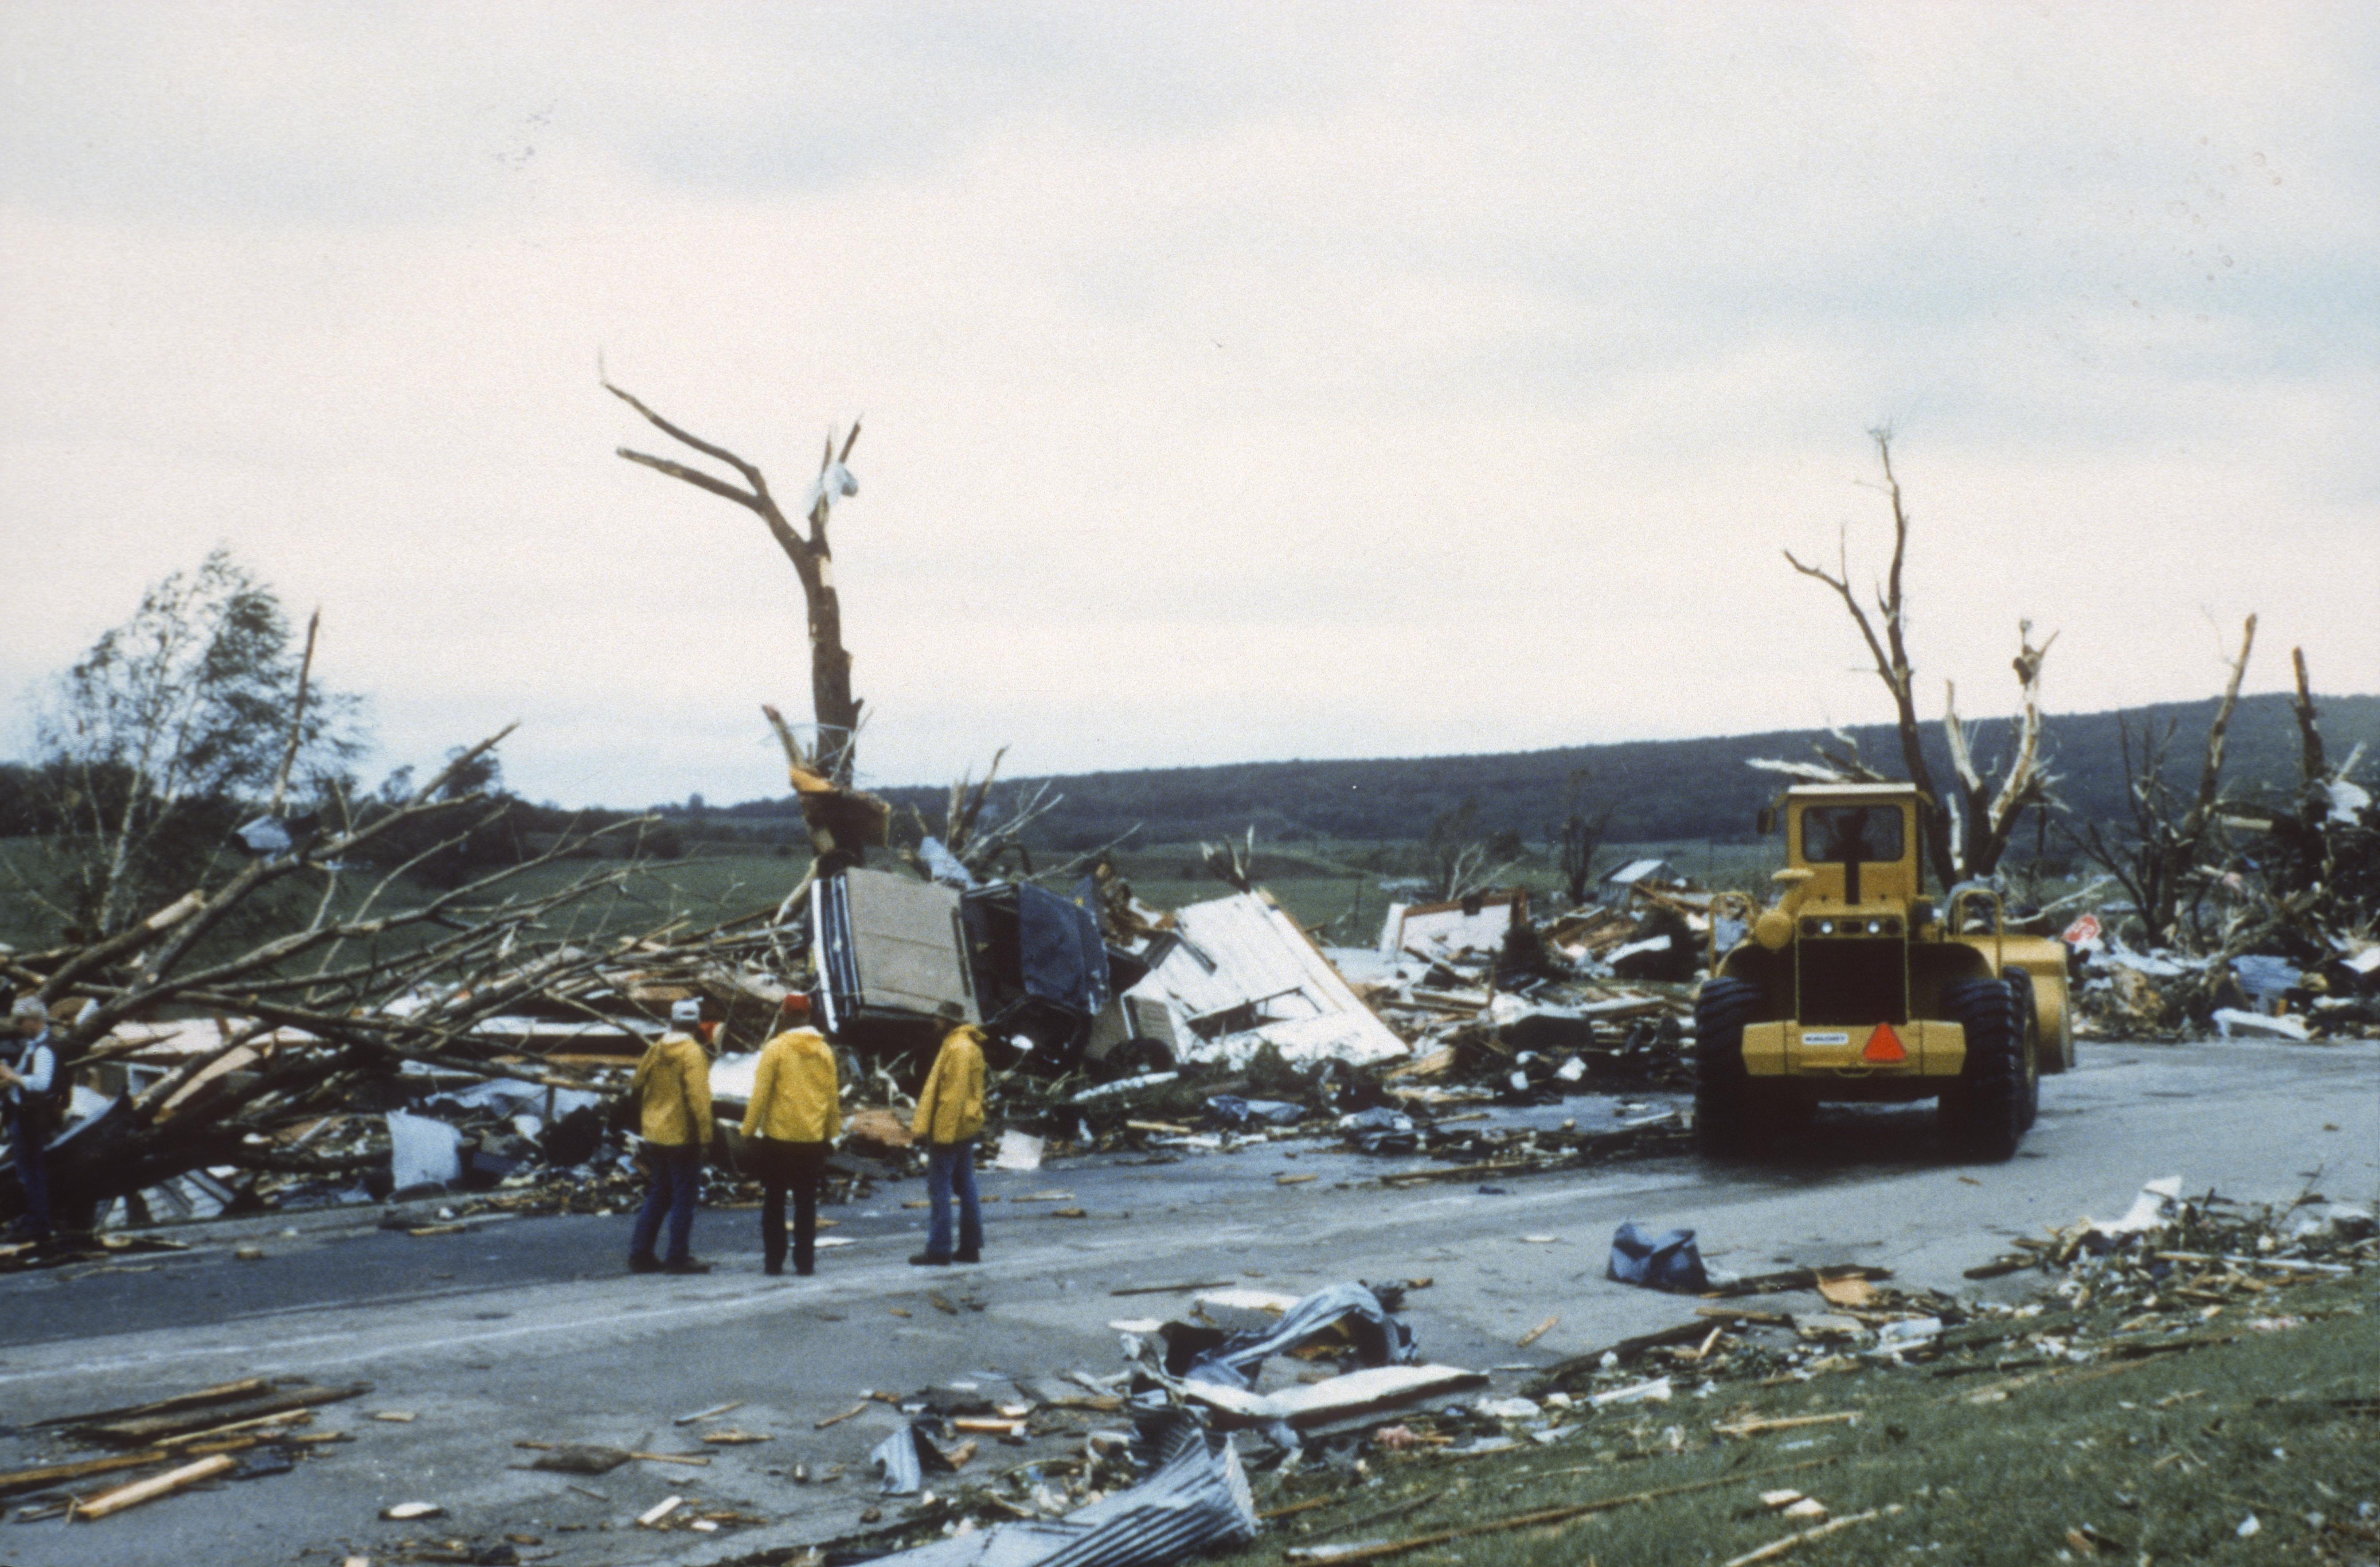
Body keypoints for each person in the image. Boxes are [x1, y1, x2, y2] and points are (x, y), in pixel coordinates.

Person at [739, 994, 838, 1277]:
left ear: (784, 1016)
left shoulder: (776, 1049)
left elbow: (760, 1095)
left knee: (774, 1202)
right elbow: (832, 1098)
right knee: (806, 1203)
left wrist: (748, 1130)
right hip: (812, 1140)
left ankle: (774, 1263)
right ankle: (805, 1264)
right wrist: (832, 1134)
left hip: (779, 1139)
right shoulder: (824, 1052)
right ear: (808, 1017)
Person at [629, 998, 714, 1275]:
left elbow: (637, 1084)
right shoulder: (692, 1053)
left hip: (654, 1133)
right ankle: (678, 1257)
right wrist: (705, 1137)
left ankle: (641, 1254)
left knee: (659, 1194)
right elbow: (699, 1100)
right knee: (683, 1199)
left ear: (672, 1021)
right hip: (682, 1136)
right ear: (697, 1024)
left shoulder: (656, 1050)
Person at [910, 1001, 986, 1267]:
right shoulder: (967, 1045)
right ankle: (970, 1247)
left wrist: (941, 1135)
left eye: (939, 1018)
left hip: (950, 1129)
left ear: (948, 1021)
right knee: (967, 1185)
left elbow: (951, 1098)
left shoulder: (957, 1048)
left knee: (940, 1188)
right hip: (965, 1126)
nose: (935, 1022)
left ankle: (939, 1250)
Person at [1, 998, 59, 1242]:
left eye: (22, 1022)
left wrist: (11, 1076)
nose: (20, 1027)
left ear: (35, 1021)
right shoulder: (34, 1046)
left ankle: (39, 1224)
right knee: (30, 1170)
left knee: (31, 1171)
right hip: (23, 1113)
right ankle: (36, 1219)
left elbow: (41, 1083)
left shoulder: (44, 1049)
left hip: (31, 1117)